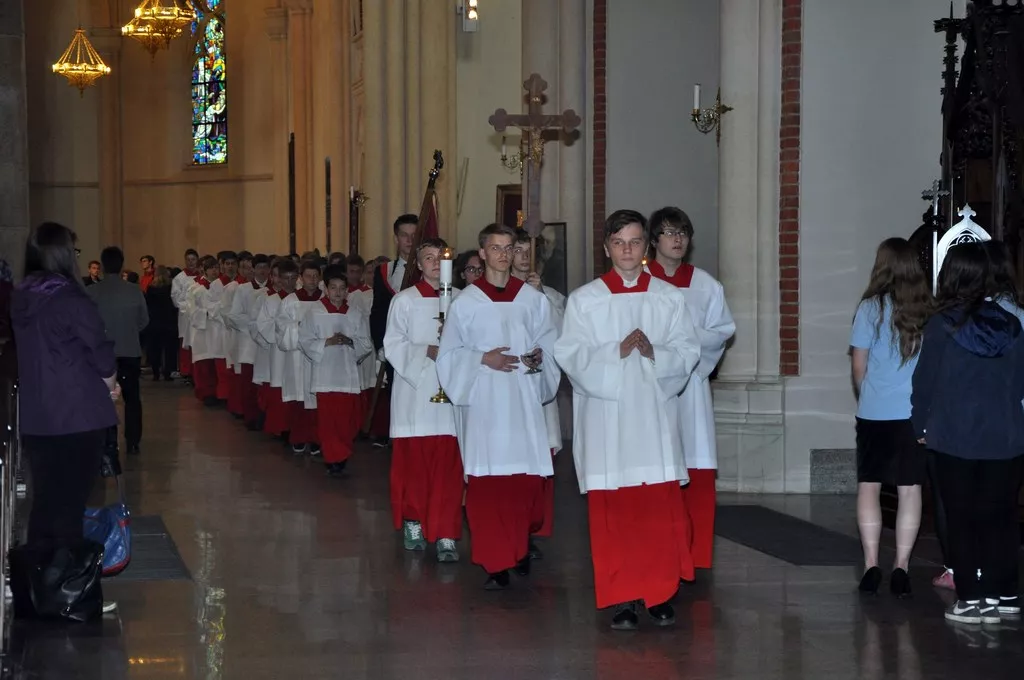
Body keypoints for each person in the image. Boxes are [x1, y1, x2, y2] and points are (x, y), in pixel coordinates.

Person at [554, 209, 700, 630]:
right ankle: (623, 598)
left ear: (646, 247)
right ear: (606, 248)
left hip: (653, 418)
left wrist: (657, 353)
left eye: (635, 242)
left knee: (655, 511)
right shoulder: (586, 300)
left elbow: (688, 352)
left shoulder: (669, 299)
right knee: (615, 515)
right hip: (607, 422)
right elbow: (571, 356)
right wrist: (613, 352)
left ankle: (658, 594)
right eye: (619, 243)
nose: (627, 251)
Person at [436, 223, 560, 589]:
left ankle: (518, 547)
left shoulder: (533, 300)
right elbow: (448, 356)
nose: (504, 255)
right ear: (483, 253)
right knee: (489, 487)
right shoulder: (466, 303)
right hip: (486, 404)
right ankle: (495, 562)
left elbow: (551, 344)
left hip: (522, 401)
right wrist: (480, 360)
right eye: (496, 248)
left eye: (509, 248)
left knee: (523, 484)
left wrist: (540, 358)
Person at [912, 242, 1024, 624]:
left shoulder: (942, 324)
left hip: (955, 436)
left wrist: (919, 423)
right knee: (1001, 517)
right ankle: (1005, 593)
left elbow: (925, 381)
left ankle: (972, 599)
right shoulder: (1011, 323)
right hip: (1005, 437)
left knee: (961, 518)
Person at [11, 222, 119, 617]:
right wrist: (111, 384)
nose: (76, 257)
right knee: (72, 504)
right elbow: (100, 349)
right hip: (77, 415)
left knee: (46, 502)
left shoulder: (21, 297)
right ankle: (69, 592)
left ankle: (35, 587)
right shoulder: (71, 299)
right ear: (61, 255)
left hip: (39, 416)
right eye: (73, 251)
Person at [646, 207, 736, 570]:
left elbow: (721, 332)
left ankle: (695, 555)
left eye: (682, 232)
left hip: (691, 390)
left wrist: (681, 346)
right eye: (669, 233)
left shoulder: (706, 286)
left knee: (695, 466)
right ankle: (660, 551)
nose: (678, 239)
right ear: (654, 240)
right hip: (650, 390)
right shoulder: (639, 282)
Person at [850, 237, 930, 598]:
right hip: (913, 415)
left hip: (874, 413)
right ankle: (902, 566)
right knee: (909, 489)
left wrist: (868, 395)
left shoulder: (869, 308)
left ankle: (871, 565)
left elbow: (859, 365)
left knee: (869, 485)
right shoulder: (927, 311)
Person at [384, 238, 465, 561]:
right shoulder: (404, 301)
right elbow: (392, 344)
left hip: (452, 398)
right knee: (414, 467)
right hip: (415, 396)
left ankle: (447, 532)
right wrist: (426, 351)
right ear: (418, 264)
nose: (434, 263)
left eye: (439, 258)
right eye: (428, 258)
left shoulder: (462, 300)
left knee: (449, 469)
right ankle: (413, 521)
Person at [511, 232, 565, 551]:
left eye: (526, 251)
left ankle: (533, 528)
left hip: (538, 388)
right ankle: (515, 527)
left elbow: (562, 336)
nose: (521, 256)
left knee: (538, 462)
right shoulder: (496, 295)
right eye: (515, 250)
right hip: (509, 386)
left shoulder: (552, 296)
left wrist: (539, 296)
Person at [299, 265, 371, 476]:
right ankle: (332, 457)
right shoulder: (315, 312)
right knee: (328, 421)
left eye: (342, 288)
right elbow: (304, 339)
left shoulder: (355, 313)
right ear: (326, 289)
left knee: (346, 420)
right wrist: (326, 342)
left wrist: (350, 341)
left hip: (347, 374)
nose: (338, 292)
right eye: (333, 288)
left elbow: (366, 343)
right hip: (325, 374)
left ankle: (343, 453)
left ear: (347, 291)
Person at [88, 247, 150, 456]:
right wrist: (129, 331)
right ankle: (133, 441)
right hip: (129, 350)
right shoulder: (134, 290)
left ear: (103, 266)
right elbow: (144, 320)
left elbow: (87, 324)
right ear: (122, 264)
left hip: (102, 353)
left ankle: (108, 440)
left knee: (102, 398)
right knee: (132, 398)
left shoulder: (92, 292)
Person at [276, 260, 323, 455]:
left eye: (315, 276)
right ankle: (299, 437)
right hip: (297, 357)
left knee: (318, 399)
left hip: (320, 357)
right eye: (308, 276)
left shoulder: (325, 299)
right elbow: (281, 330)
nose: (312, 280)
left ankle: (317, 438)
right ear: (301, 278)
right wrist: (303, 327)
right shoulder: (290, 301)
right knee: (299, 399)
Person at [229, 253, 271, 430]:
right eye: (258, 267)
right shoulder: (243, 289)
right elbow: (234, 315)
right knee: (249, 384)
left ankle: (267, 417)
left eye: (265, 267)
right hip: (248, 343)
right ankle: (252, 417)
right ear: (253, 269)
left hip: (268, 342)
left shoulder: (273, 290)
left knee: (267, 383)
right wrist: (255, 325)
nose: (262, 271)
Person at [219, 251, 253, 417]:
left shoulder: (258, 289)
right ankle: (237, 407)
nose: (248, 271)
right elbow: (225, 313)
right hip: (237, 334)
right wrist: (246, 323)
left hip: (252, 336)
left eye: (250, 267)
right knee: (237, 371)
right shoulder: (232, 288)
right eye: (244, 268)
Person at [346, 255, 375, 421]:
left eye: (358, 272)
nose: (355, 276)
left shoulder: (368, 294)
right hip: (346, 344)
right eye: (351, 272)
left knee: (365, 383)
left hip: (365, 343)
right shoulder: (341, 291)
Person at [188, 255, 221, 404]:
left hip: (217, 330)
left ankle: (217, 392)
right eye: (211, 268)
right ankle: (206, 394)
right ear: (204, 270)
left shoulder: (222, 286)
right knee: (204, 364)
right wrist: (208, 312)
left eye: (216, 268)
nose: (215, 271)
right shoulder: (195, 288)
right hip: (202, 330)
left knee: (217, 364)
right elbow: (191, 311)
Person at [210, 251, 241, 403]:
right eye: (227, 264)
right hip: (222, 329)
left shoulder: (242, 283)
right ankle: (224, 396)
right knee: (223, 366)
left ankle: (234, 397)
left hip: (238, 329)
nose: (230, 267)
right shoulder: (216, 284)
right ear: (222, 266)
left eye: (233, 264)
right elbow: (212, 309)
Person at [144, 266, 178, 381]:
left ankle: (155, 372)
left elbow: (147, 306)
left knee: (155, 349)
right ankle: (167, 372)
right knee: (169, 349)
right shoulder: (170, 287)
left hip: (154, 322)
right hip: (168, 322)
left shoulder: (150, 289)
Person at [172, 248, 201, 381]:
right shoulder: (180, 278)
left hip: (200, 316)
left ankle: (197, 372)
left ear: (197, 260)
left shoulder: (202, 276)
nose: (191, 262)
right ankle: (186, 371)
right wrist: (190, 308)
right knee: (186, 345)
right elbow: (176, 298)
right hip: (186, 317)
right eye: (188, 260)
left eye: (193, 259)